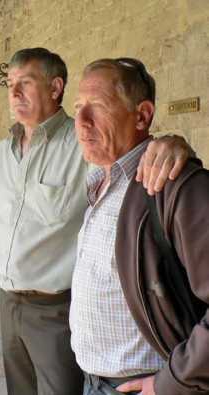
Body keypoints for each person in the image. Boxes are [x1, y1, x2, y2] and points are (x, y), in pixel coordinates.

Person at [0, 48, 192, 395]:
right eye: (10, 84)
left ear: (55, 87)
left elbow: (138, 156)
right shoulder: (5, 150)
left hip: (55, 309)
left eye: (25, 83)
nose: (14, 94)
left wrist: (173, 144)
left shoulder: (82, 144)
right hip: (10, 298)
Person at [70, 57, 208, 395]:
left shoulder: (173, 184)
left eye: (98, 106)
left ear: (142, 115)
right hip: (94, 382)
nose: (81, 121)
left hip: (149, 385)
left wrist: (172, 383)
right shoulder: (101, 183)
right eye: (77, 107)